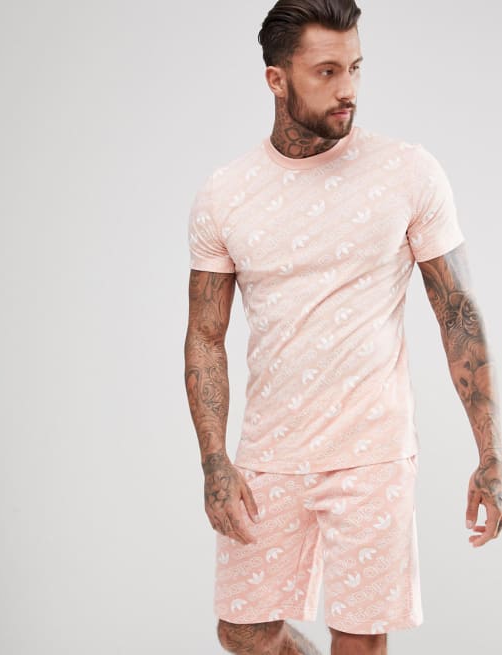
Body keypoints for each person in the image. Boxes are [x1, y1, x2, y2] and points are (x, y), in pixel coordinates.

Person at [184, 1, 502, 653]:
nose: (348, 88)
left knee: (358, 639)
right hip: (270, 452)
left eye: (355, 67)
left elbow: (458, 314)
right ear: (276, 80)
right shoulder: (226, 192)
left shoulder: (407, 172)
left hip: (373, 450)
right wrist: (214, 460)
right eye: (326, 71)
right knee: (243, 628)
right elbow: (205, 335)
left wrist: (491, 452)